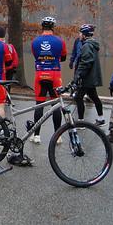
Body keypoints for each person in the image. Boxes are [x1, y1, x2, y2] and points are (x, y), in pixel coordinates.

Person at [30, 16, 67, 144]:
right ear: (53, 27)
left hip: (40, 73)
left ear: (42, 27)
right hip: (54, 74)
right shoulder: (59, 41)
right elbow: (63, 57)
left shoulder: (35, 41)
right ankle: (58, 136)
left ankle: (36, 135)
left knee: (39, 104)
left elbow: (35, 56)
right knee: (56, 104)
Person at [73, 24, 105, 125]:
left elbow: (86, 63)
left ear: (84, 35)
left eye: (80, 33)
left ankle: (81, 122)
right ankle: (101, 118)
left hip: (87, 78)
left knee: (78, 97)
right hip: (91, 77)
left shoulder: (87, 46)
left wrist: (78, 76)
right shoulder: (92, 44)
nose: (79, 35)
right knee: (94, 97)